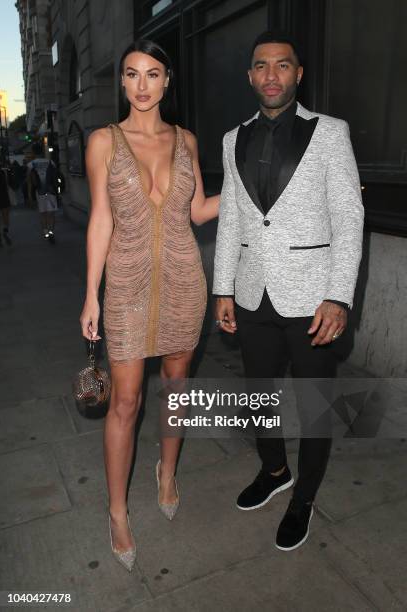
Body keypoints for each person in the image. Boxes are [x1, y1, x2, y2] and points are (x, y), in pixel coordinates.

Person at [213, 31, 364, 551]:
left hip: (313, 297)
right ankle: (275, 471)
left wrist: (339, 296)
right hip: (254, 293)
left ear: (298, 74)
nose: (271, 75)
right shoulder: (233, 139)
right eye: (261, 66)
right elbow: (232, 219)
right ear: (250, 75)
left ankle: (304, 499)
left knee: (314, 404)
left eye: (282, 66)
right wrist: (222, 288)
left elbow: (349, 217)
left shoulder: (330, 133)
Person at [79, 39, 219, 571]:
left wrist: (259, 189)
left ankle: (167, 471)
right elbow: (100, 219)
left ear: (167, 81)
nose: (141, 85)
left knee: (177, 388)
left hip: (184, 281)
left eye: (152, 74)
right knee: (125, 402)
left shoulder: (186, 140)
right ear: (122, 83)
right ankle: (117, 513)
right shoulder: (103, 142)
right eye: (132, 74)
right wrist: (91, 292)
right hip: (128, 287)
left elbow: (200, 209)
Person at [27, 143, 58, 243]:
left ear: (33, 153)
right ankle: (51, 232)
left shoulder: (31, 165)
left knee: (43, 213)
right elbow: (55, 177)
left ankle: (46, 232)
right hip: (51, 191)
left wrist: (29, 195)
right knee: (51, 214)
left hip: (39, 192)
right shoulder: (50, 162)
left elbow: (29, 181)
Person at [0, 162, 12, 246]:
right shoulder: (3, 172)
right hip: (3, 195)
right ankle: (5, 230)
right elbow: (7, 185)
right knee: (5, 215)